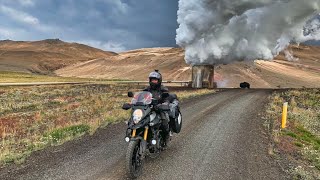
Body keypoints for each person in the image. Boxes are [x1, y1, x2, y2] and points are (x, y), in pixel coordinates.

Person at [143, 70, 173, 145]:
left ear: (159, 81)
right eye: (152, 80)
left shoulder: (163, 89)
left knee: (164, 121)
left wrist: (165, 104)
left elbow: (167, 98)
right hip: (148, 109)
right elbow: (141, 96)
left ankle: (166, 136)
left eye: (155, 80)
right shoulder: (147, 89)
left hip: (159, 109)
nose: (153, 82)